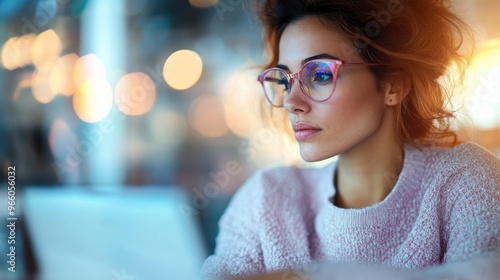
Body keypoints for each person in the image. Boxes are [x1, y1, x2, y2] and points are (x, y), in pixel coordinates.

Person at [201, 0, 500, 279]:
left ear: (393, 85)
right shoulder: (266, 200)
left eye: (319, 75)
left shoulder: (466, 180)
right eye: (284, 79)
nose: (292, 102)